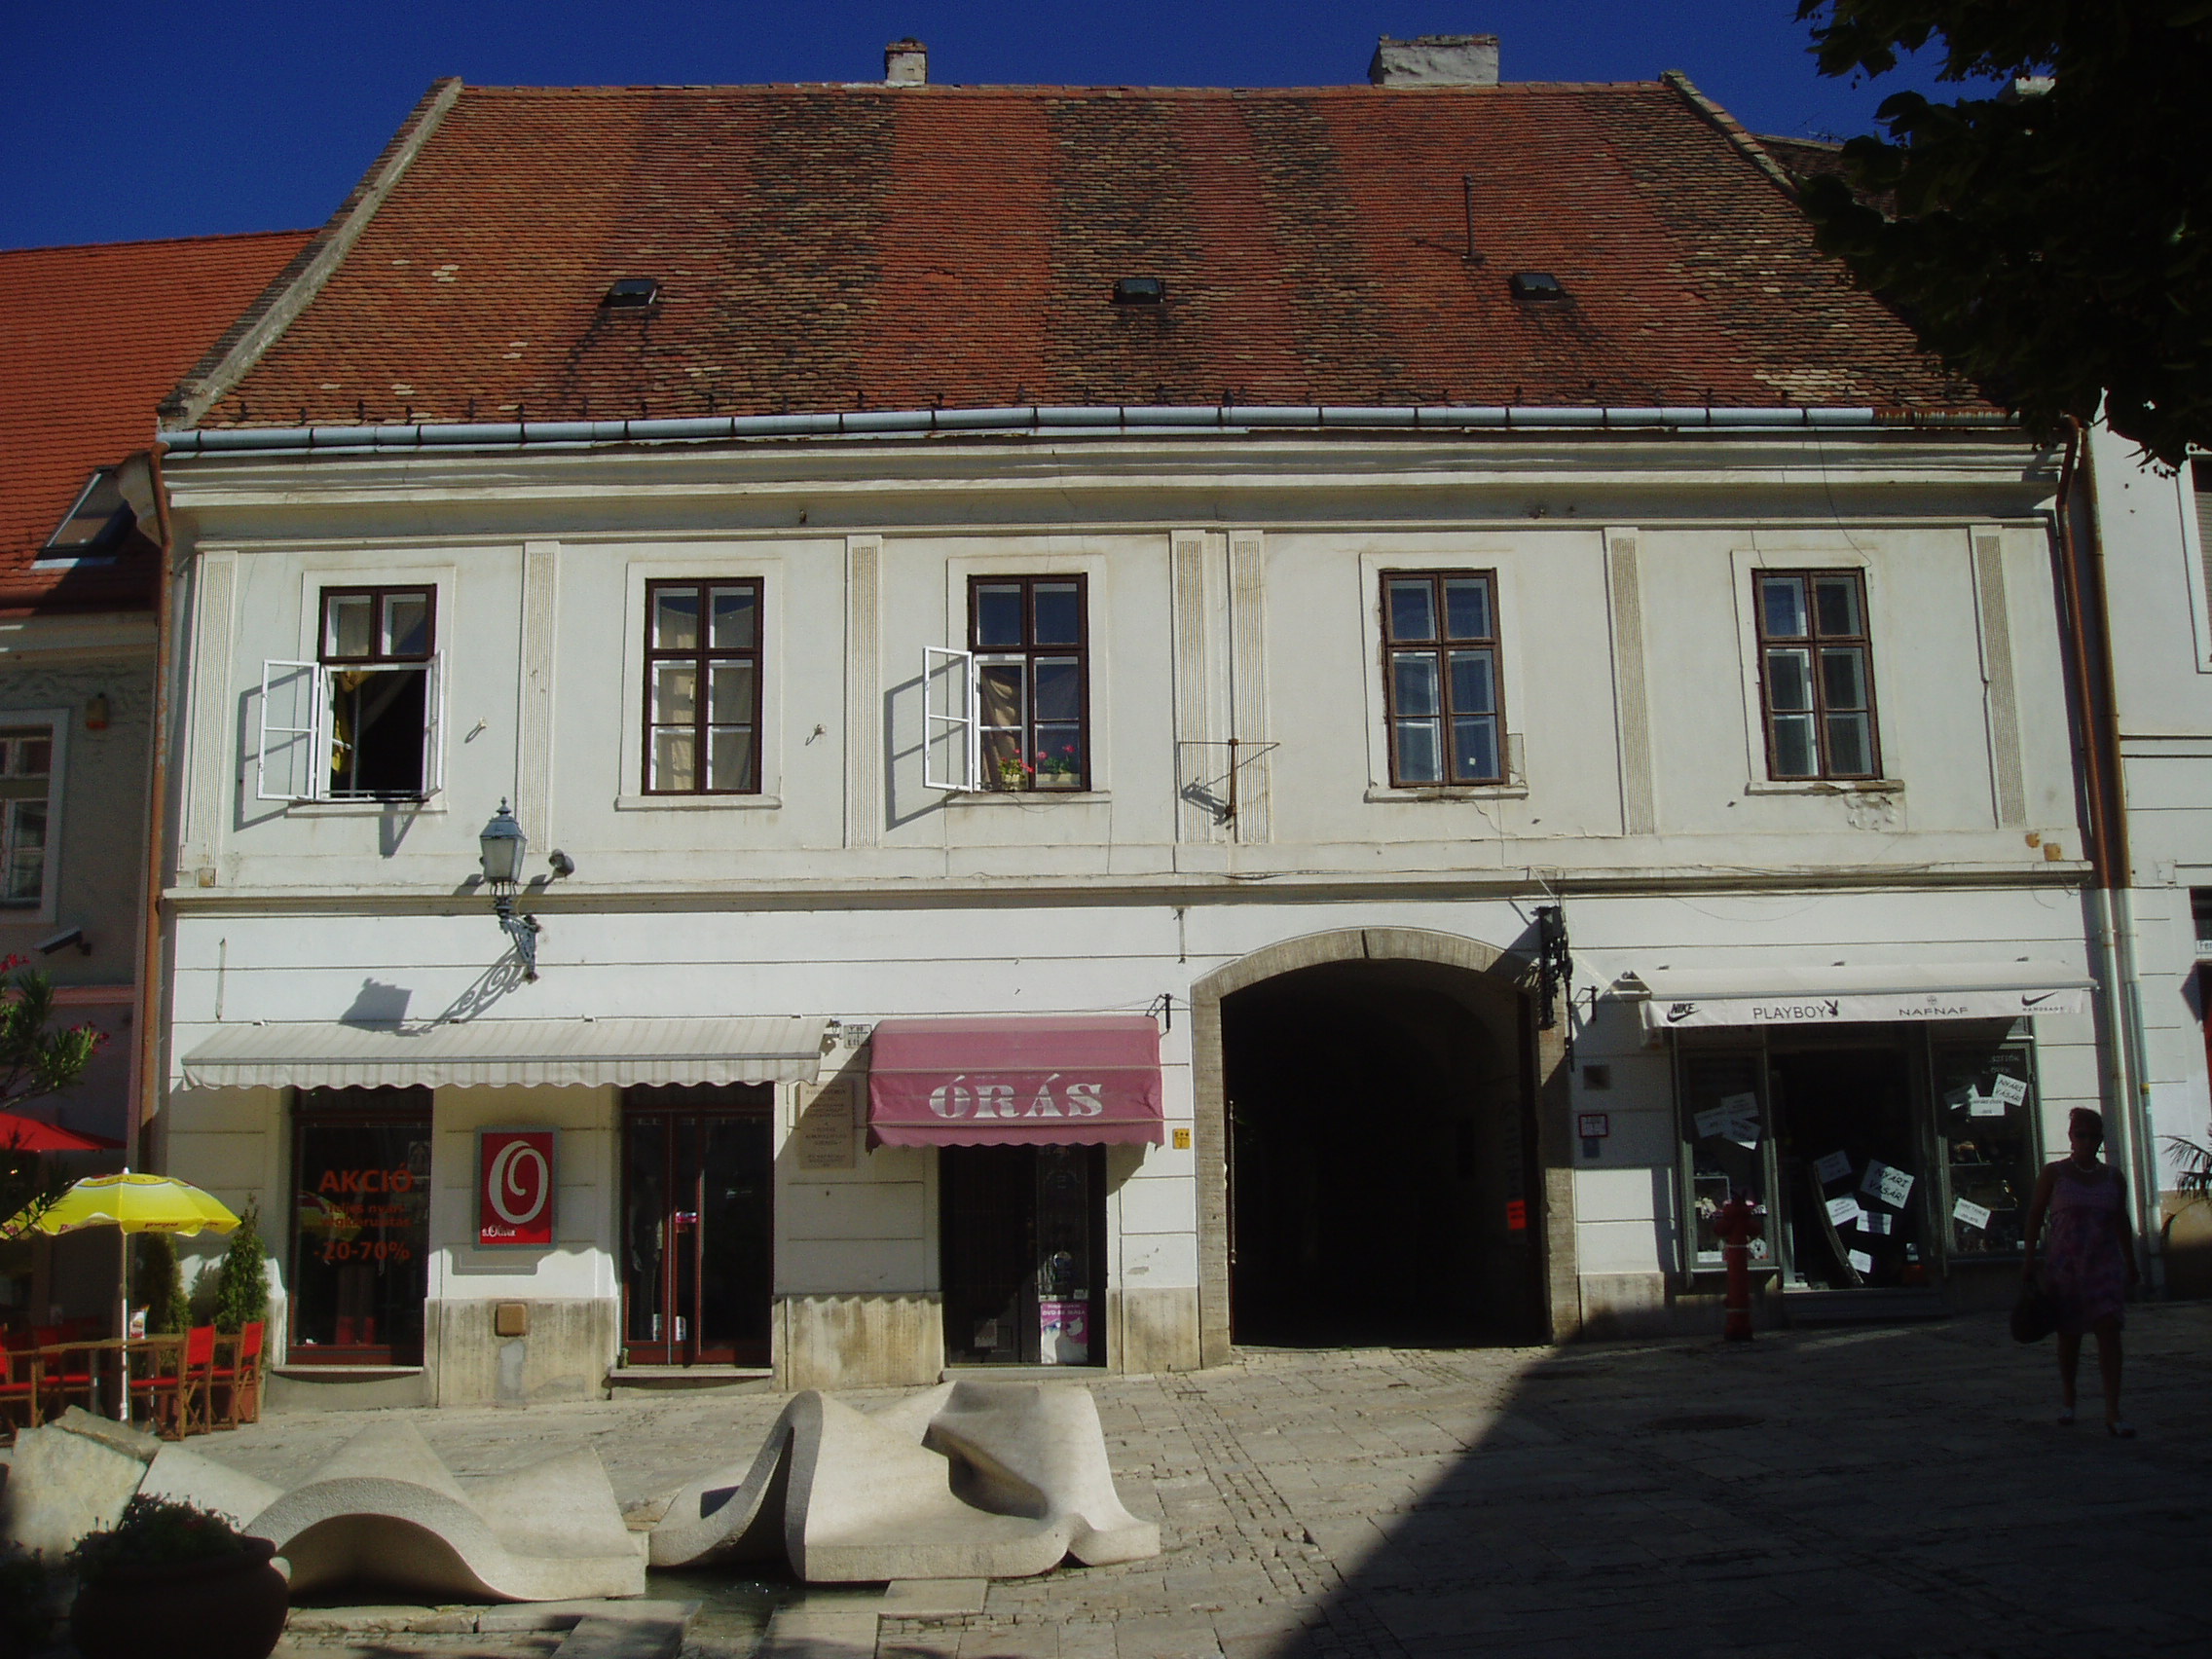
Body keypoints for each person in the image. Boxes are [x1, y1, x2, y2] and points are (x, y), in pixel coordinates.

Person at [2021, 1107, 2140, 1436]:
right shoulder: (2054, 1174)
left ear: (2101, 1139)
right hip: (2066, 1267)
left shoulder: (2113, 1177)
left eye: (2093, 1136)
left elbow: (2121, 1221)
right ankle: (2069, 1398)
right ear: (2071, 1137)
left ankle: (2113, 1411)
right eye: (2080, 1135)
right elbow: (2035, 1215)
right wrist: (2029, 1259)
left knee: (2109, 1333)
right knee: (2069, 1336)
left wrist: (2131, 1264)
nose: (2086, 1142)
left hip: (2104, 1266)